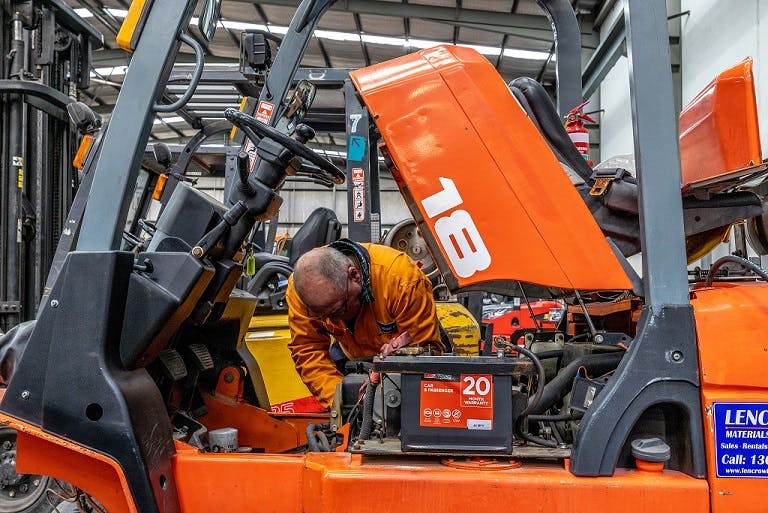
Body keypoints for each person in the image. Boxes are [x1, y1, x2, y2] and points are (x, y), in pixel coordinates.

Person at [286, 239, 445, 408]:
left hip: (401, 356)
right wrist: (342, 402)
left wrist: (399, 361)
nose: (332, 321)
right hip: (351, 352)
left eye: (338, 310)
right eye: (322, 316)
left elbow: (425, 357)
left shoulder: (401, 280)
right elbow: (308, 350)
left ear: (354, 275)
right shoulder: (302, 291)